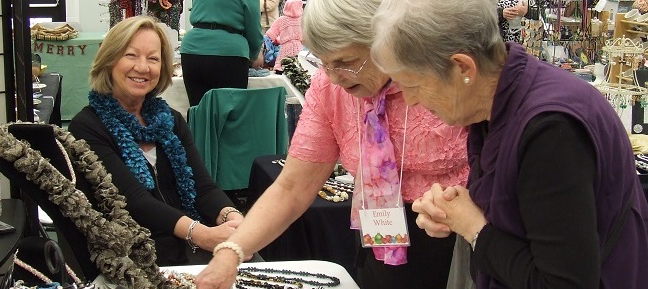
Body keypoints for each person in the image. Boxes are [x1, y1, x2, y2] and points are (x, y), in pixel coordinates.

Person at [370, 0, 648, 288]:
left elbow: (563, 282)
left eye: (413, 86)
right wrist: (454, 212)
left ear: (462, 67)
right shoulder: (499, 102)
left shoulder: (550, 131)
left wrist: (473, 226)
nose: (412, 101)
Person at [194, 0, 470, 288]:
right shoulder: (329, 88)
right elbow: (292, 187)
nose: (335, 76)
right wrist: (232, 251)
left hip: (458, 240)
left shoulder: (440, 74)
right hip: (379, 237)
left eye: (345, 62)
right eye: (324, 62)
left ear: (386, 40)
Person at [68, 16, 255, 266]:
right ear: (109, 61)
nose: (143, 67)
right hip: (132, 255)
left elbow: (204, 187)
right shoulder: (87, 127)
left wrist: (231, 217)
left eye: (153, 58)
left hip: (187, 246)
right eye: (131, 55)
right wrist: (203, 235)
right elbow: (135, 201)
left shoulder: (172, 120)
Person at [180, 0, 263, 106]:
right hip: (230, 52)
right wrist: (254, 54)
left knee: (198, 113)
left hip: (192, 49)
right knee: (231, 115)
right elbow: (254, 28)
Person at [265, 0, 303, 73]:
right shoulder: (302, 20)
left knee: (281, 66)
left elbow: (271, 34)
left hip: (285, 47)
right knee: (298, 67)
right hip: (298, 47)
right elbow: (306, 37)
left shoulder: (282, 20)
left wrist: (278, 40)